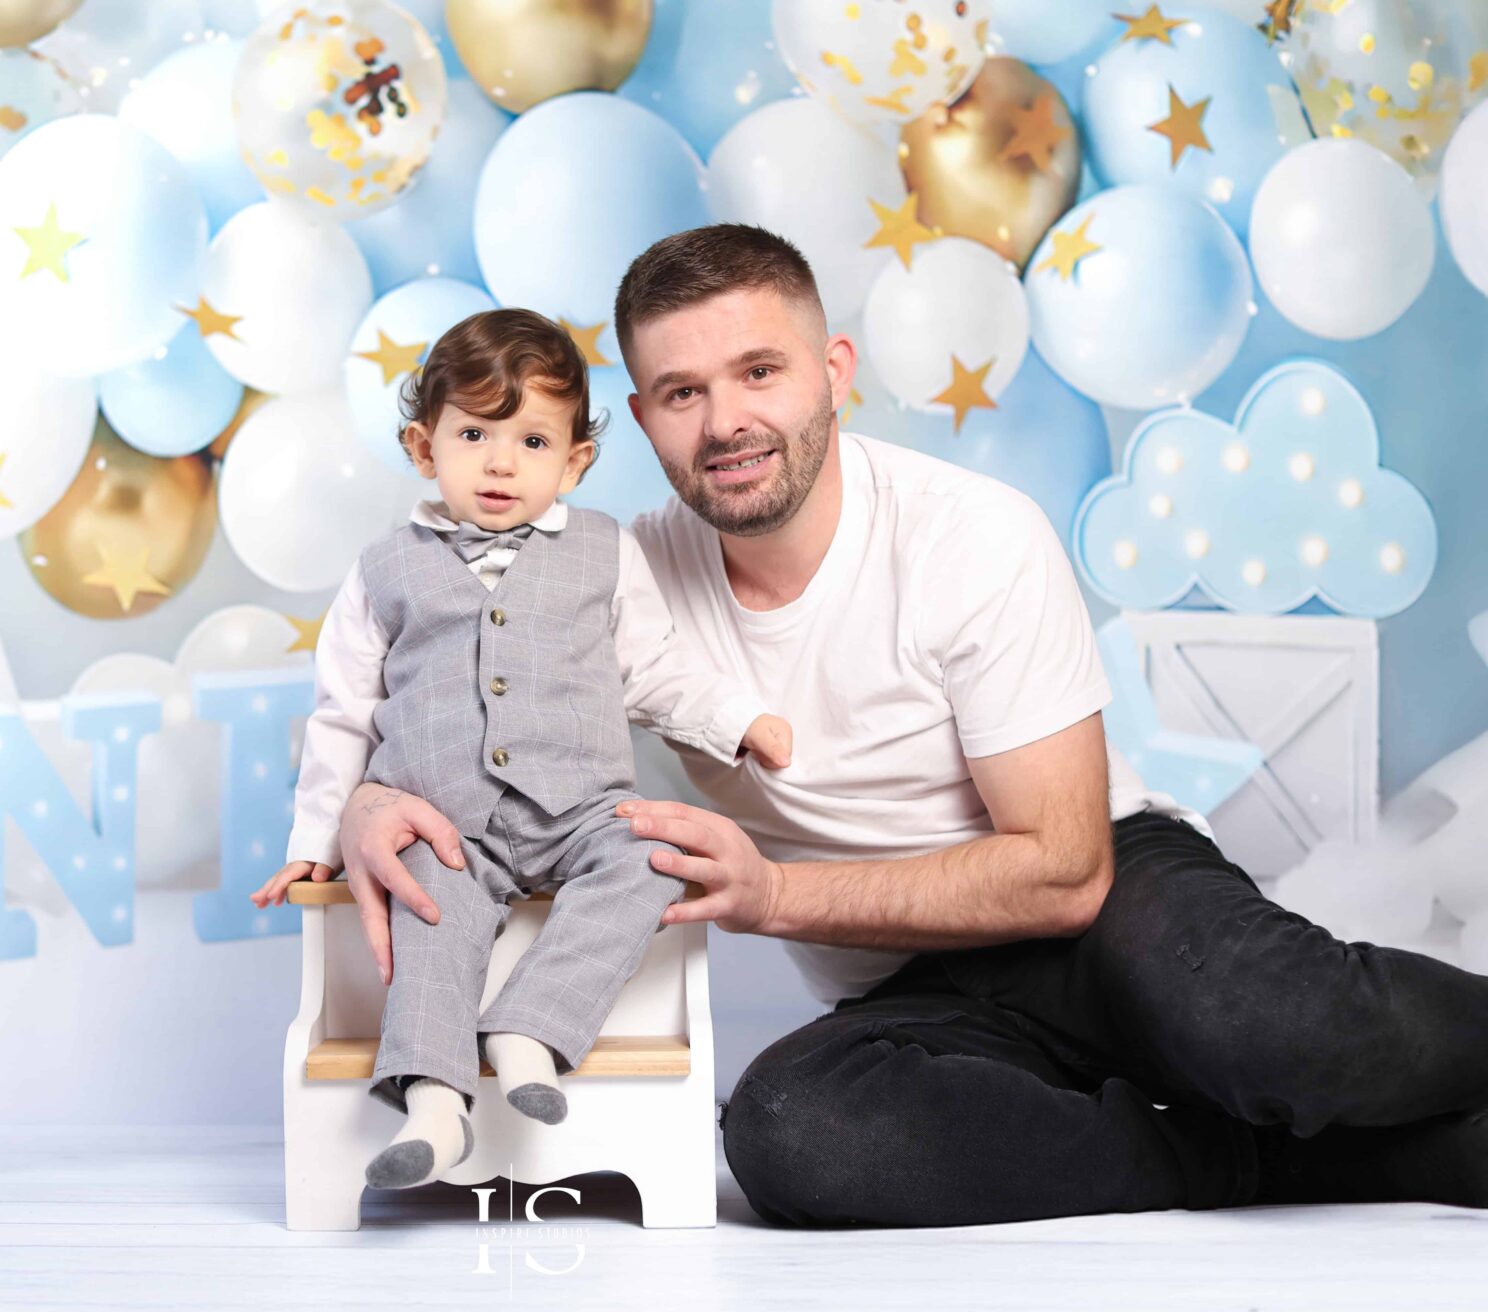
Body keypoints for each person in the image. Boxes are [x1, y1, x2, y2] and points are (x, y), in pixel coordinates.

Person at [329, 223, 1488, 1226]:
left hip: (1111, 900)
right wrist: (372, 796)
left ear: (833, 371)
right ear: (638, 418)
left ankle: (1277, 1096)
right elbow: (444, 676)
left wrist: (775, 895)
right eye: (684, 393)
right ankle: (1255, 1155)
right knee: (795, 1136)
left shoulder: (968, 533)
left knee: (1265, 1023)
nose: (726, 421)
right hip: (905, 984)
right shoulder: (609, 579)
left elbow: (1065, 872)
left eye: (760, 371)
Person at [251, 306, 794, 1193]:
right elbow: (343, 711)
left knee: (655, 850)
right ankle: (434, 1101)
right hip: (442, 820)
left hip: (578, 810)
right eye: (474, 433)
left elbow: (652, 671)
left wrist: (738, 721)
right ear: (424, 447)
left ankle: (531, 1028)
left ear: (575, 460)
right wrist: (311, 845)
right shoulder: (384, 568)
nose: (502, 462)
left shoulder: (603, 553)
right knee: (430, 903)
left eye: (534, 441)